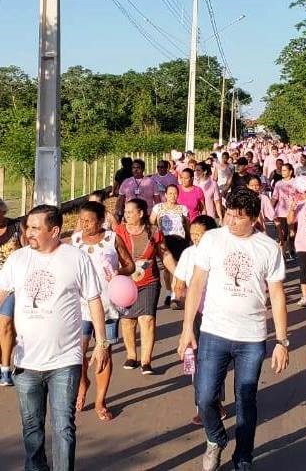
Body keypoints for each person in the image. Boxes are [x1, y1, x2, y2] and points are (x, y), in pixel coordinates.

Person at [177, 189, 289, 471]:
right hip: (214, 333)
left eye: (238, 218)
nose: (231, 221)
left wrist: (282, 341)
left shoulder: (268, 248)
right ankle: (215, 439)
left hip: (251, 337)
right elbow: (197, 284)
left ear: (253, 218)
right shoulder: (213, 239)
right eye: (228, 214)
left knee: (246, 400)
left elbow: (276, 295)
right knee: (204, 397)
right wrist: (187, 328)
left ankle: (243, 457)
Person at [0, 205, 109, 471]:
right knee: (32, 429)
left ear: (55, 230)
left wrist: (101, 343)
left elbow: (94, 300)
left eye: (36, 227)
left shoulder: (76, 258)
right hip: (26, 362)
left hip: (65, 360)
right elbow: (1, 294)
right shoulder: (17, 260)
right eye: (28, 226)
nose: (29, 232)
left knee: (63, 427)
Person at [72, 201, 135, 420]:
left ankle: (100, 400)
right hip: (79, 306)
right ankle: (82, 384)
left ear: (101, 221)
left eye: (89, 220)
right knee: (77, 352)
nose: (84, 224)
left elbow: (131, 266)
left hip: (107, 306)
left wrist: (118, 271)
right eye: (82, 220)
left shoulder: (112, 239)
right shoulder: (75, 240)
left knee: (104, 353)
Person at [171, 215, 221, 426]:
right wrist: (181, 295)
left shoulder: (220, 252)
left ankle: (215, 402)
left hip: (219, 312)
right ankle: (202, 406)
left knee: (215, 360)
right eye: (193, 234)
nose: (195, 238)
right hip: (196, 314)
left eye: (199, 234)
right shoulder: (189, 254)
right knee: (199, 360)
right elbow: (180, 282)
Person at [117, 198, 176, 374]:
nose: (126, 215)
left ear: (141, 213)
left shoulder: (154, 232)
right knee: (128, 320)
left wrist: (178, 275)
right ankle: (131, 356)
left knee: (147, 319)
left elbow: (165, 255)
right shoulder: (118, 232)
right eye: (125, 212)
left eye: (129, 212)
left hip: (149, 281)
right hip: (125, 283)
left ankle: (146, 361)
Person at [150, 183, 189, 309]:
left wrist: (190, 240)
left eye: (175, 193)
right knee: (167, 270)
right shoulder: (158, 207)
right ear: (165, 195)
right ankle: (169, 292)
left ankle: (175, 296)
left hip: (179, 240)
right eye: (170, 193)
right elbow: (151, 223)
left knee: (177, 267)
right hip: (164, 241)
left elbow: (187, 226)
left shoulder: (183, 208)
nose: (172, 196)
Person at [0, 198, 21, 386]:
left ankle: (5, 369)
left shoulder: (16, 227)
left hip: (12, 284)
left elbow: (29, 250)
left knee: (6, 323)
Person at [272, 163, 297, 258]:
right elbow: (274, 197)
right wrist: (270, 209)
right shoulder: (278, 183)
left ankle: (291, 248)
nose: (282, 172)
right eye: (282, 170)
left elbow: (301, 197)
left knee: (292, 232)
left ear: (290, 171)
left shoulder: (296, 182)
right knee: (282, 233)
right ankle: (283, 252)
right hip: (281, 212)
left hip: (293, 212)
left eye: (285, 170)